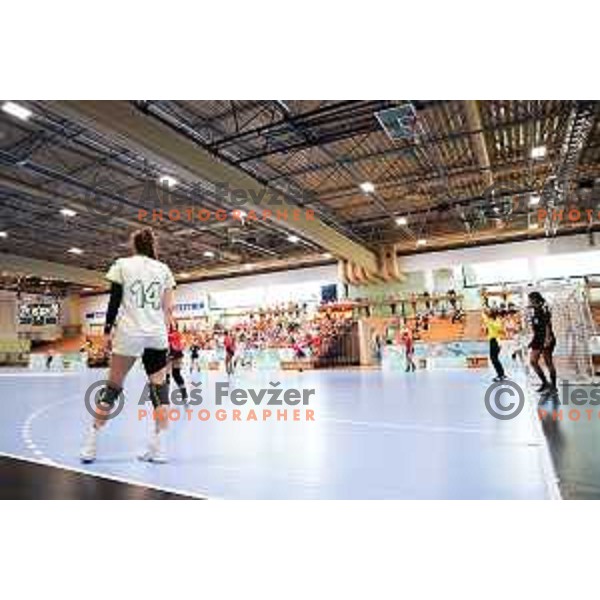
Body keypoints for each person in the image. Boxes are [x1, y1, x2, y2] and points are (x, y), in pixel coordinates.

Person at [80, 227, 175, 464]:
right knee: (159, 390)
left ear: (134, 245)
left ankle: (91, 445)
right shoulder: (164, 270)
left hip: (129, 332)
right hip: (155, 334)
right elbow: (168, 309)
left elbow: (114, 301)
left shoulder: (122, 265)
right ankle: (159, 449)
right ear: (153, 245)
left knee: (112, 387)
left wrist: (106, 330)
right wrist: (162, 332)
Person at [528, 291, 557, 393]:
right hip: (538, 338)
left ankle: (553, 386)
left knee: (548, 361)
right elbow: (536, 327)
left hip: (546, 338)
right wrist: (532, 341)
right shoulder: (534, 310)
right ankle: (545, 383)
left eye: (530, 299)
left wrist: (547, 339)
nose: (529, 301)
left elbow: (547, 325)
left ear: (534, 299)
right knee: (532, 361)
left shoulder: (543, 309)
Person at [482, 308, 506, 382]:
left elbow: (499, 329)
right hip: (493, 340)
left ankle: (501, 375)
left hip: (495, 340)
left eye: (489, 312)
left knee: (494, 358)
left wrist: (489, 322)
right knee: (494, 358)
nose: (488, 313)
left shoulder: (494, 321)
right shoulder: (492, 320)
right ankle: (501, 374)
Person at [167, 323, 188, 404]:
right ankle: (184, 394)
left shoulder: (168, 334)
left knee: (168, 375)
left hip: (170, 354)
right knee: (176, 374)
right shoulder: (179, 334)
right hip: (177, 354)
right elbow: (183, 344)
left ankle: (165, 397)